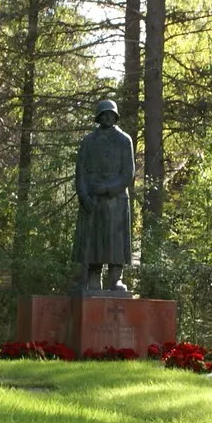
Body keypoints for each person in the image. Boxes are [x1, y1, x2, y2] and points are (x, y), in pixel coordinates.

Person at [73, 99, 134, 293]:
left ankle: (116, 279)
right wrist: (84, 195)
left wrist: (108, 188)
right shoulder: (88, 141)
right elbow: (80, 172)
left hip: (115, 200)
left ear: (115, 116)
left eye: (111, 114)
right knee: (93, 241)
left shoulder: (125, 140)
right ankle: (93, 279)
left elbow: (128, 173)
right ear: (98, 117)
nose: (107, 117)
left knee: (116, 242)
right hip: (92, 200)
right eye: (104, 114)